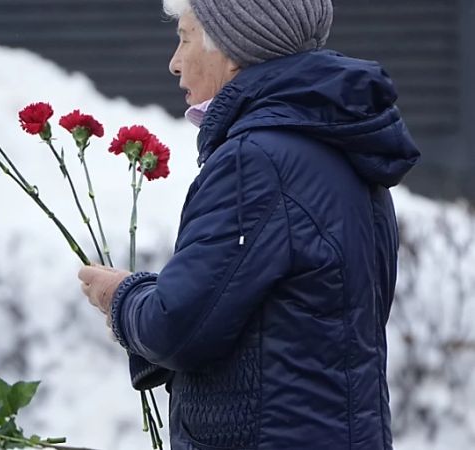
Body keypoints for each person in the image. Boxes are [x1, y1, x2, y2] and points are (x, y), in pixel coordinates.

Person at [77, 0, 421, 448]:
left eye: (184, 38)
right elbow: (294, 320)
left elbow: (177, 328)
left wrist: (120, 297)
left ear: (233, 48)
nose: (174, 63)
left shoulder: (255, 162)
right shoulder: (338, 143)